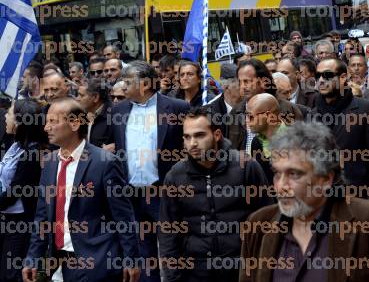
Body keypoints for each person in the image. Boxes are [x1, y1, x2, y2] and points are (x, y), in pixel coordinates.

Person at [239, 122, 369, 282]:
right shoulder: (259, 225)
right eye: (277, 174)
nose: (281, 185)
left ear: (326, 179)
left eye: (294, 174)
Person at [23, 98, 140, 282]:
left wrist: (131, 259)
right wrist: (32, 258)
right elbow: (42, 217)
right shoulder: (50, 163)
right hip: (60, 264)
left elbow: (123, 216)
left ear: (75, 123)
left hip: (98, 263)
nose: (46, 128)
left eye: (53, 121)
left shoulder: (105, 163)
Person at [159, 106, 271, 281]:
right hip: (197, 273)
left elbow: (267, 220)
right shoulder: (175, 176)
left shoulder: (246, 167)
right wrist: (173, 277)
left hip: (242, 272)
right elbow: (168, 233)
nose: (192, 143)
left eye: (199, 135)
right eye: (187, 137)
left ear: (217, 135)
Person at [111, 61, 189, 282]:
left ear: (144, 84)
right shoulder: (118, 111)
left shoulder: (176, 108)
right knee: (144, 256)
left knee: (173, 250)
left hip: (163, 193)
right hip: (132, 196)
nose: (122, 87)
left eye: (127, 82)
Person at [309, 58, 369, 193]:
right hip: (323, 199)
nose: (321, 80)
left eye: (327, 75)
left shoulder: (367, 110)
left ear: (342, 78)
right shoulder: (312, 115)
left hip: (359, 198)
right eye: (318, 76)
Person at [0, 99, 46, 282]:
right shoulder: (15, 144)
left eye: (9, 113)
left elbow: (15, 192)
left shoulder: (32, 152)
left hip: (20, 222)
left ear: (19, 121)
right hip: (5, 216)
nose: (5, 116)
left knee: (11, 274)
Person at [228, 59, 303, 153]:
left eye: (247, 81)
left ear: (264, 82)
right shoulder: (235, 112)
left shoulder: (288, 109)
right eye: (240, 82)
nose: (242, 86)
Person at [76, 78, 114, 150]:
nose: (77, 99)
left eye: (81, 95)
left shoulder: (114, 117)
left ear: (95, 97)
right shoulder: (81, 114)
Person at [207, 62, 241, 137]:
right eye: (240, 82)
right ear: (225, 86)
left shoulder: (250, 104)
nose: (245, 86)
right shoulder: (210, 110)